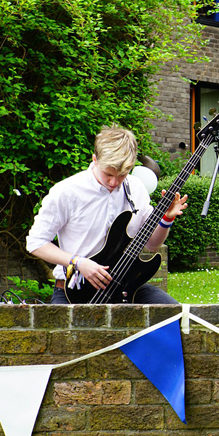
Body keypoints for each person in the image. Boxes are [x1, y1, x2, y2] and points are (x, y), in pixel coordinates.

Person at [27, 126, 187, 304]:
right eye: (108, 174)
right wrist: (79, 262)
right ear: (95, 160)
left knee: (177, 318)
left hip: (125, 288)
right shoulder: (67, 192)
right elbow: (36, 242)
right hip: (74, 291)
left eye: (122, 175)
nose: (114, 182)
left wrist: (166, 219)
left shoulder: (136, 188)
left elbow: (152, 245)